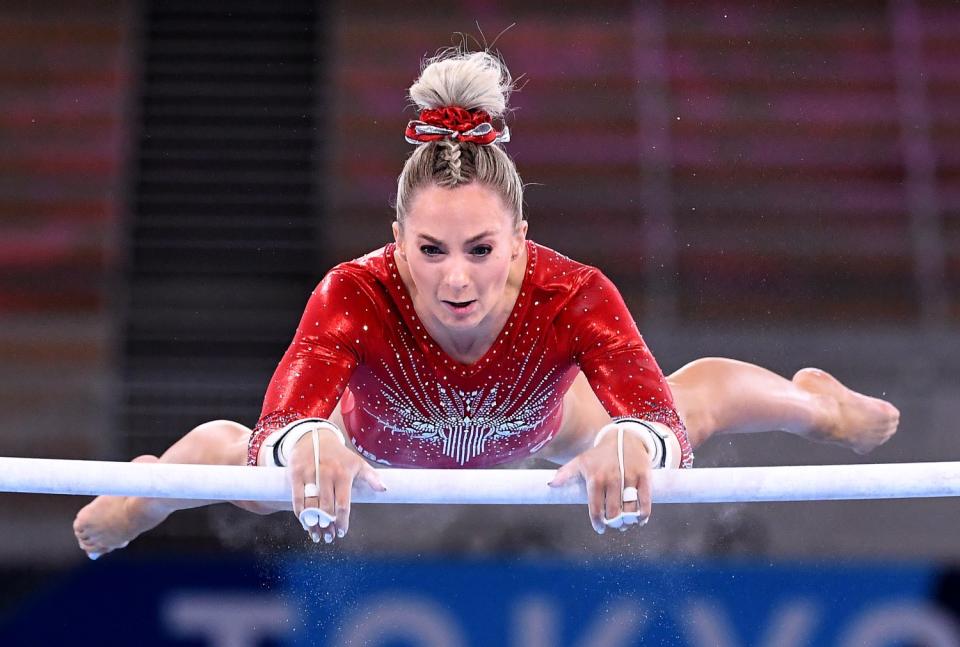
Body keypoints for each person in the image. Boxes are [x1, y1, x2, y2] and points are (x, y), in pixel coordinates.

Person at [73, 49, 899, 558]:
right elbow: (288, 418)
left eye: (481, 250)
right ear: (395, 239)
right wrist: (301, 445)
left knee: (698, 405)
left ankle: (816, 401)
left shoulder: (571, 292)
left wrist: (644, 443)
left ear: (521, 237)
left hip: (540, 418)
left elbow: (660, 417)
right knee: (251, 473)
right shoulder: (353, 293)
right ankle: (151, 482)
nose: (457, 279)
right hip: (378, 432)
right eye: (429, 251)